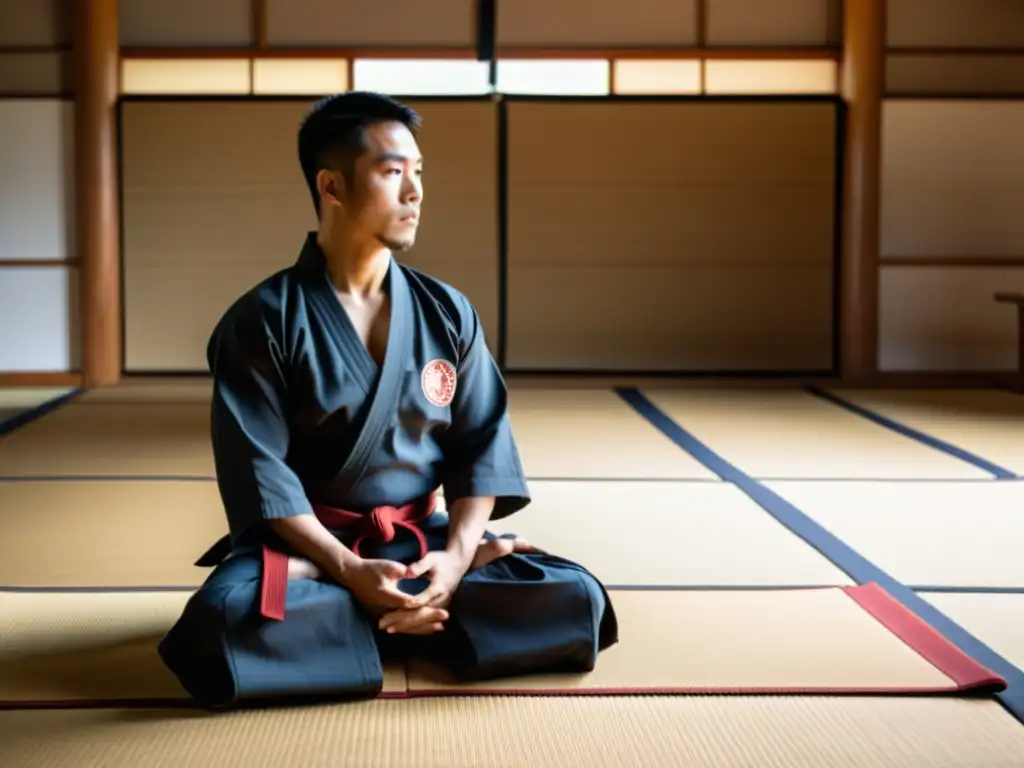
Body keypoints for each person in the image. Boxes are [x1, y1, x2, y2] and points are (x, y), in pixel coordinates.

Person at [157, 91, 618, 709]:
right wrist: (346, 569)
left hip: (418, 544)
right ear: (333, 186)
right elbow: (259, 475)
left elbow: (482, 445)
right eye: (392, 171)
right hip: (307, 550)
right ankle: (397, 615)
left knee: (573, 595)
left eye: (418, 172)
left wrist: (455, 560)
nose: (415, 191)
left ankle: (370, 618)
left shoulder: (446, 312)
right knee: (221, 621)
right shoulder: (262, 321)